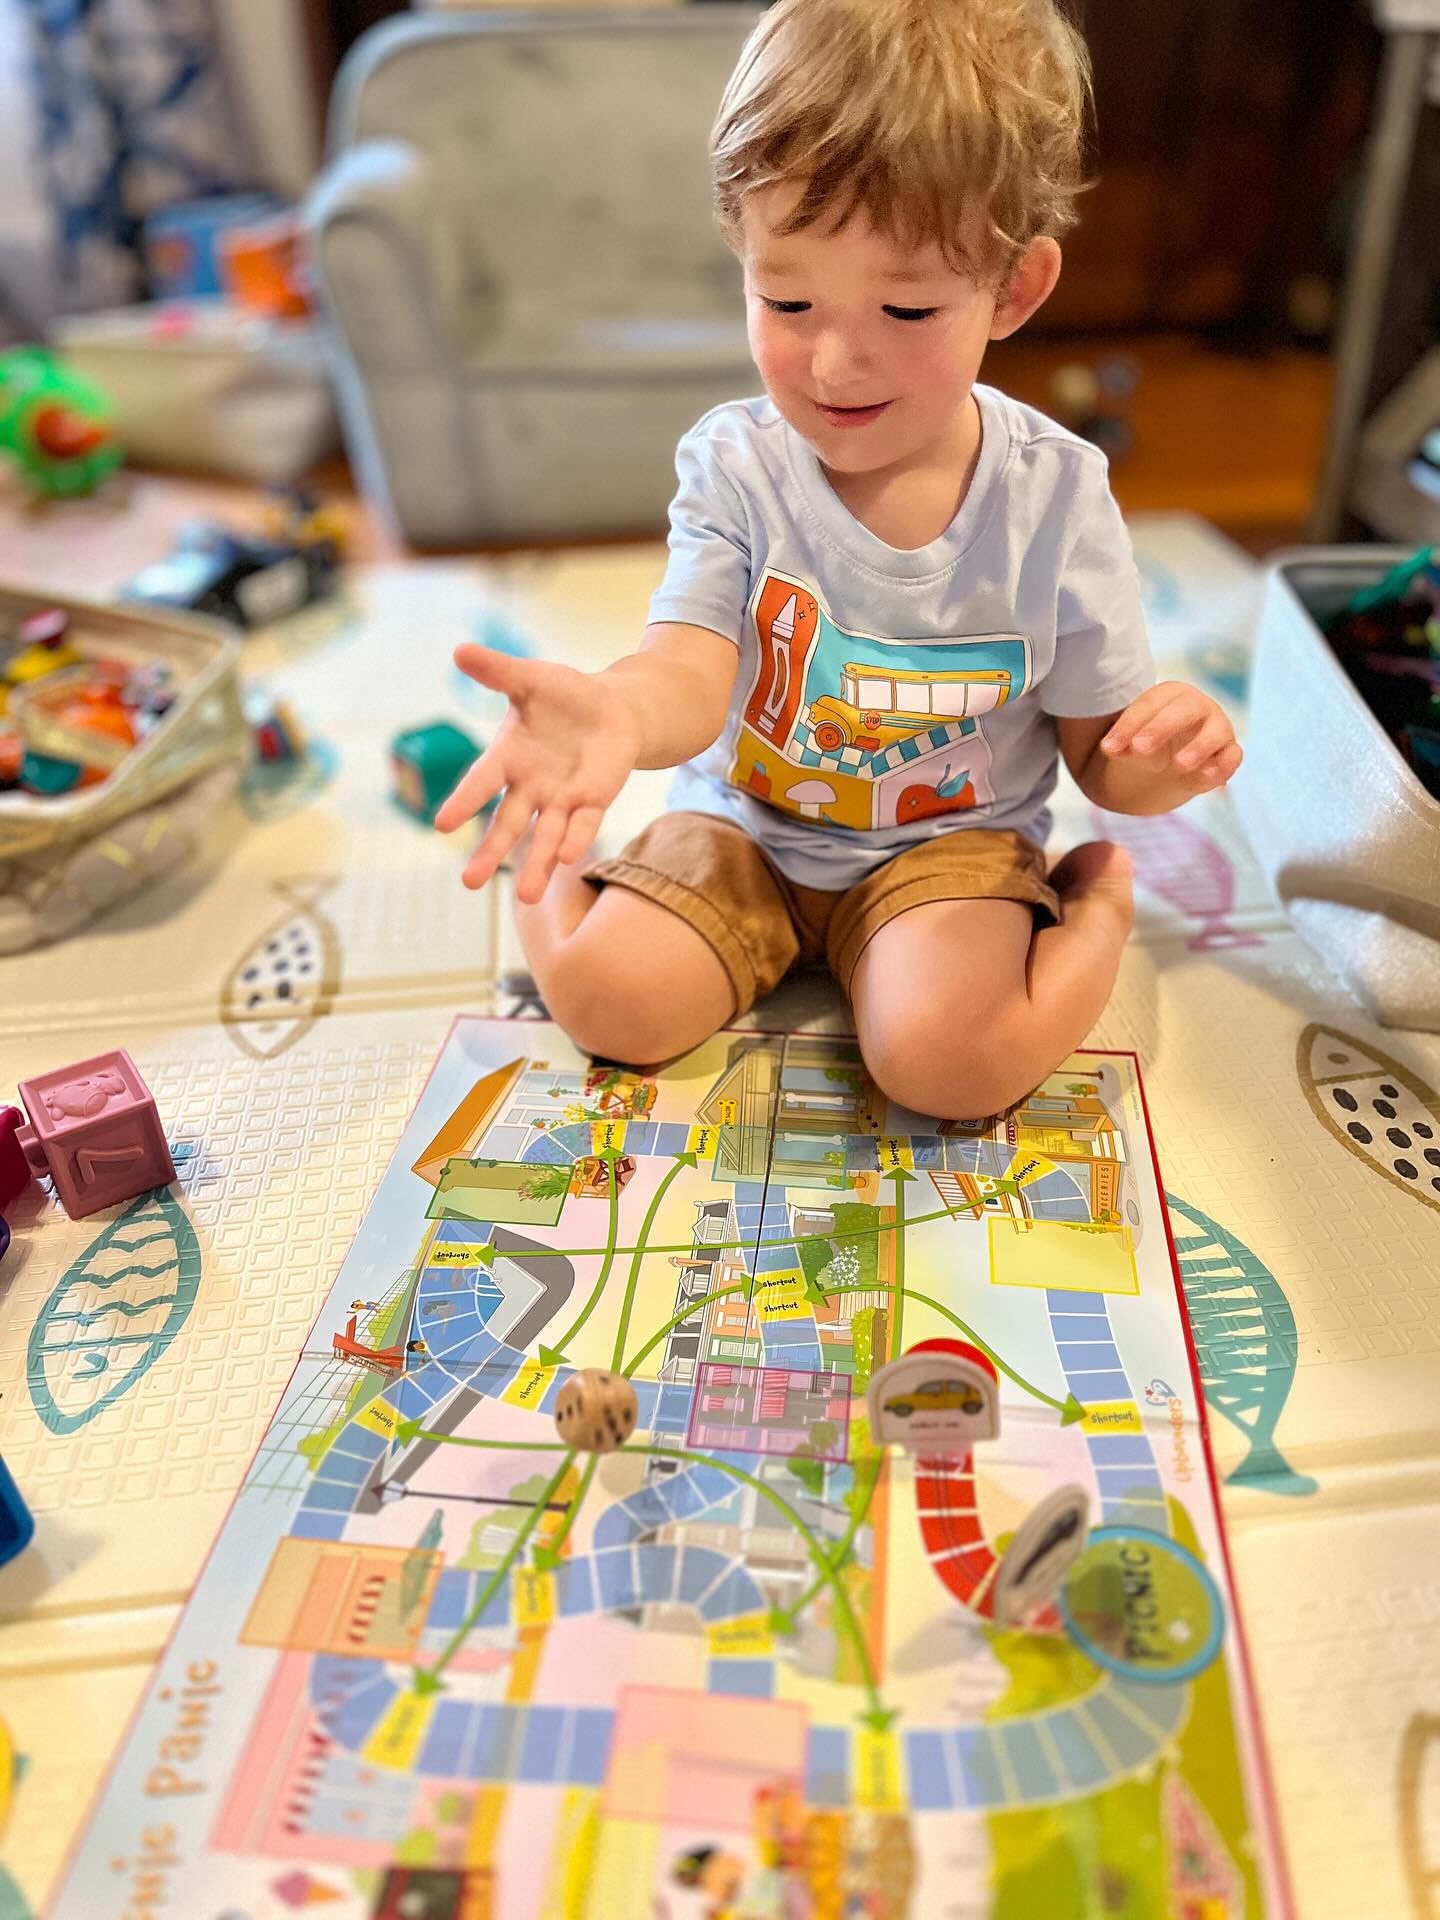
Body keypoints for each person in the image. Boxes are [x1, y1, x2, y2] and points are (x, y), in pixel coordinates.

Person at [436, 0, 1241, 1122]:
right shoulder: (736, 464)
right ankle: (554, 842)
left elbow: (1104, 757)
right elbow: (690, 663)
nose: (834, 358)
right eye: (785, 297)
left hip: (951, 848)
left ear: (1013, 289)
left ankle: (1091, 905)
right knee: (610, 1004)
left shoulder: (1055, 496)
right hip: (744, 829)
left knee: (946, 1065)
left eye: (906, 306)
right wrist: (617, 716)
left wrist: (1168, 759)